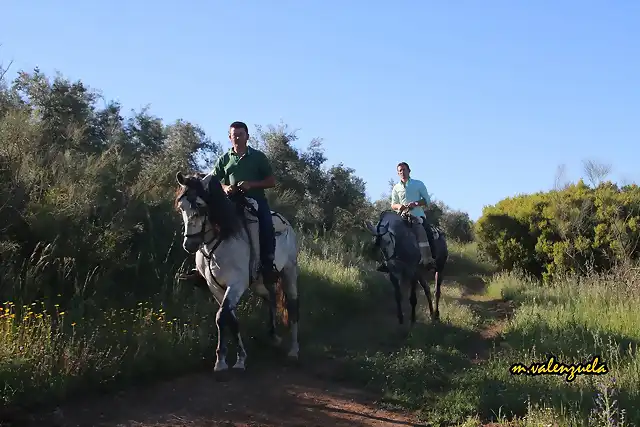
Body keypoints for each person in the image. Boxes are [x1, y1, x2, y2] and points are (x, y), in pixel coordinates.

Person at [180, 121, 278, 286]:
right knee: (206, 220)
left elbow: (271, 181)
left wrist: (251, 184)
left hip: (255, 200)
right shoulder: (225, 158)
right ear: (229, 137)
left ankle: (268, 267)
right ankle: (200, 269)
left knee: (266, 224)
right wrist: (225, 188)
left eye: (240, 134)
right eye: (234, 135)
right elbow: (214, 180)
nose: (237, 138)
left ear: (247, 136)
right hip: (230, 200)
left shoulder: (258, 157)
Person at [377, 161, 437, 272]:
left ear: (409, 171)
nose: (402, 172)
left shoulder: (418, 184)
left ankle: (429, 260)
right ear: (398, 173)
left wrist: (416, 204)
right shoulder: (396, 188)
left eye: (404, 170)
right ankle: (388, 262)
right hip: (401, 217)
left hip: (417, 216)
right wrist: (399, 206)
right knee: (386, 234)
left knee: (425, 232)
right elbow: (393, 204)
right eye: (400, 171)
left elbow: (427, 201)